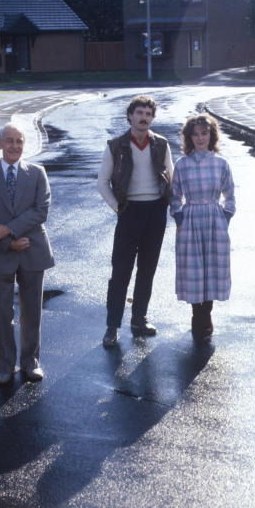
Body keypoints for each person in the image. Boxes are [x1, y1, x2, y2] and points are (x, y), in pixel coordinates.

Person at [0, 124, 55, 384]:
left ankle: (31, 362)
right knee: (2, 313)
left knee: (31, 311)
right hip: (2, 253)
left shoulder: (38, 173)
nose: (15, 146)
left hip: (33, 250)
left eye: (19, 141)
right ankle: (5, 367)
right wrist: (9, 243)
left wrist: (8, 229)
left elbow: (41, 210)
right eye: (9, 141)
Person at [97, 95, 174, 348]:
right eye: (139, 113)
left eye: (148, 114)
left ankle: (139, 318)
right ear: (130, 116)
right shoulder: (116, 146)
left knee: (147, 270)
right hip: (129, 212)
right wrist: (117, 207)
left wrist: (170, 207)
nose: (143, 118)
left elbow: (171, 178)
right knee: (120, 271)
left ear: (153, 118)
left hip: (155, 212)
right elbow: (102, 182)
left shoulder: (161, 144)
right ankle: (112, 326)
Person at [170, 113, 236, 341]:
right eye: (195, 134)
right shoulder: (182, 165)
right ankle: (196, 314)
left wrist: (226, 215)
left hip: (214, 219)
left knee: (212, 269)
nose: (200, 138)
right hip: (190, 220)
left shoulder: (221, 164)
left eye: (204, 133)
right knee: (194, 270)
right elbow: (175, 195)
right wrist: (178, 217)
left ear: (211, 135)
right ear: (189, 137)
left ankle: (206, 313)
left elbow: (230, 195)